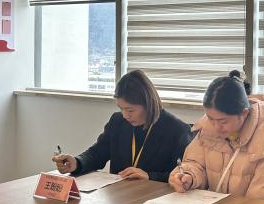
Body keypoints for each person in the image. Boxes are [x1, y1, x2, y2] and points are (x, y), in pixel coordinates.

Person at [168, 70, 264, 200]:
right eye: (210, 118)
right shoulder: (208, 128)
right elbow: (195, 163)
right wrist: (189, 176)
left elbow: (262, 196)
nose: (216, 127)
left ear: (244, 113)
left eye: (223, 121)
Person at [52, 70, 192, 182]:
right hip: (119, 197)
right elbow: (97, 153)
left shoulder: (177, 130)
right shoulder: (118, 121)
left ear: (148, 104)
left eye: (130, 110)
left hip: (154, 200)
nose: (125, 115)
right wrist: (77, 163)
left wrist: (149, 176)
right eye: (121, 109)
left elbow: (182, 175)